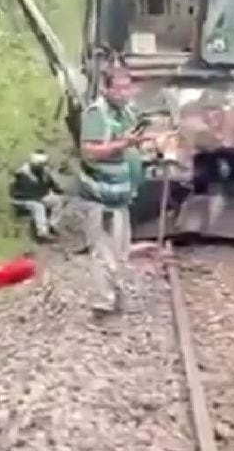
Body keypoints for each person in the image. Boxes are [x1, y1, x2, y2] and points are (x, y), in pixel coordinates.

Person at [77, 65, 145, 318]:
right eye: (121, 88)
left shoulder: (126, 112)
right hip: (100, 197)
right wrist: (123, 144)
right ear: (106, 88)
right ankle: (104, 303)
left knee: (119, 251)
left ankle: (115, 297)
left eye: (129, 87)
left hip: (120, 197)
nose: (126, 93)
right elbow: (89, 151)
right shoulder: (97, 113)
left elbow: (130, 143)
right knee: (104, 250)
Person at [10, 151, 65, 242]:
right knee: (38, 206)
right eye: (41, 165)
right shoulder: (23, 174)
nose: (43, 167)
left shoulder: (44, 172)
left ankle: (52, 224)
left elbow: (52, 185)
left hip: (39, 196)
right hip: (22, 198)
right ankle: (42, 232)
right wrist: (41, 197)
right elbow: (25, 192)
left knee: (58, 201)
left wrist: (59, 191)